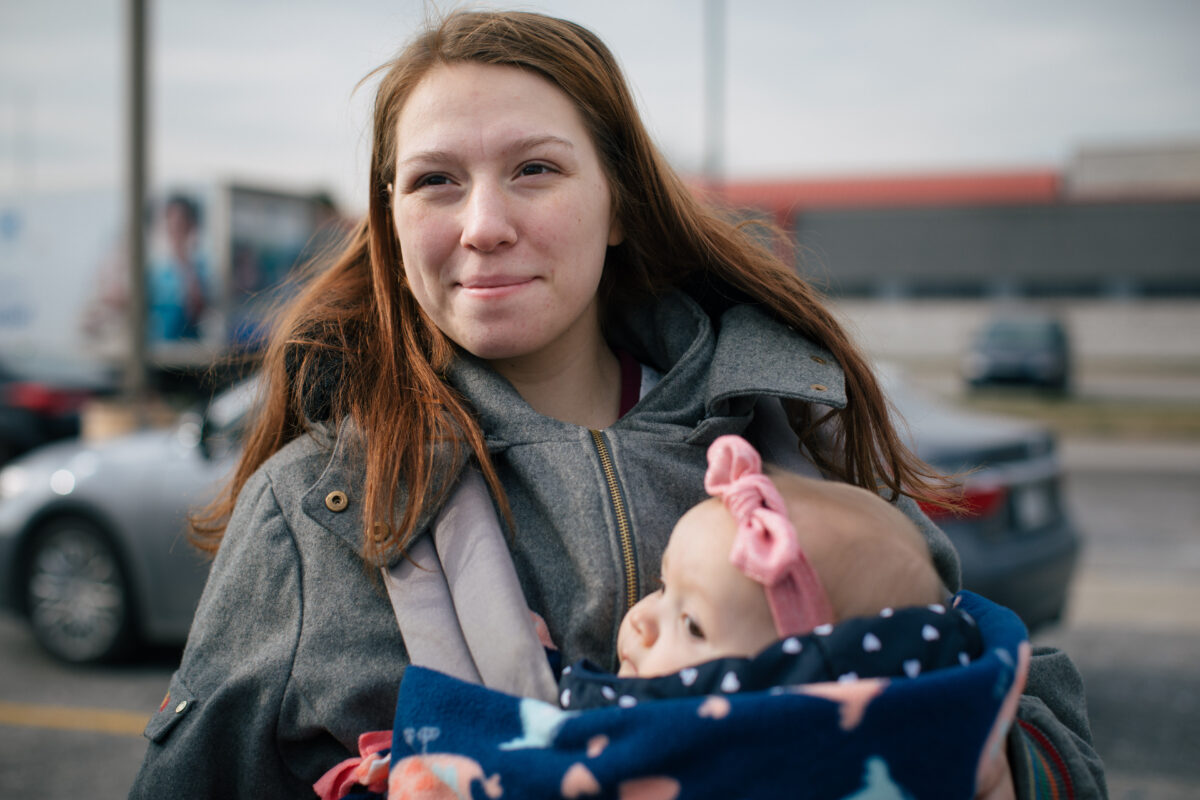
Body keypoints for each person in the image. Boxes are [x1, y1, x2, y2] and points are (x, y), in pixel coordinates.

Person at [130, 10, 1104, 799]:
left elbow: (1036, 722)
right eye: (434, 182)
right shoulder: (307, 512)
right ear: (389, 223)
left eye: (535, 169)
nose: (484, 225)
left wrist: (990, 769)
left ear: (621, 202)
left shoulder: (797, 441)